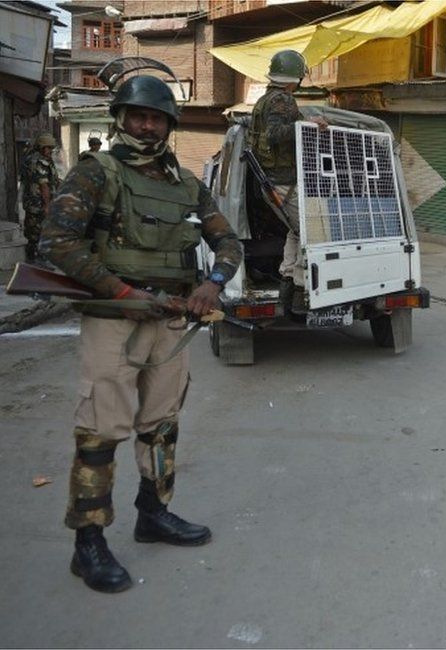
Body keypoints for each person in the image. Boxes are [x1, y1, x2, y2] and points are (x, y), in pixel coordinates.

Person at [39, 74, 243, 593]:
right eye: (138, 116)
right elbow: (58, 243)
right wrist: (123, 292)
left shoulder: (187, 184)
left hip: (171, 318)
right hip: (115, 321)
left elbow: (227, 241)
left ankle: (153, 515)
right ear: (121, 120)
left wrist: (213, 284)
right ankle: (88, 544)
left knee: (161, 425)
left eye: (156, 117)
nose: (147, 124)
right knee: (100, 432)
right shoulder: (96, 173)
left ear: (169, 125)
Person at [246, 49, 328, 316]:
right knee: (311, 232)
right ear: (295, 77)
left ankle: (287, 284)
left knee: (297, 230)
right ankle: (301, 294)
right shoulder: (282, 99)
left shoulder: (265, 99)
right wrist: (310, 125)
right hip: (281, 181)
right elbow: (274, 134)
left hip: (274, 181)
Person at [20, 132, 61, 262]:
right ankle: (37, 262)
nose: (51, 151)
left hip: (33, 203)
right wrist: (47, 205)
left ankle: (34, 260)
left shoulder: (32, 158)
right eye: (49, 148)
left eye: (51, 148)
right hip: (38, 204)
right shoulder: (40, 161)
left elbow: (52, 180)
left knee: (33, 232)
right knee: (38, 233)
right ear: (42, 147)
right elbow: (44, 186)